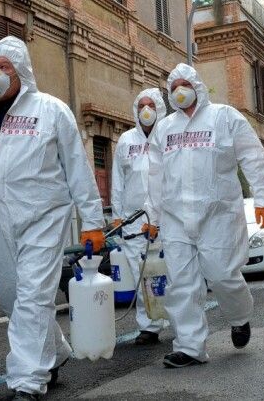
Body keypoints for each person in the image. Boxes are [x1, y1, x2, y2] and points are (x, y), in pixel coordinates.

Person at [0, 36, 105, 400]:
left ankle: (27, 382)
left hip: (43, 218)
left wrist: (93, 221)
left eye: (4, 66)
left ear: (22, 71)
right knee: (10, 293)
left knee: (32, 296)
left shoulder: (52, 111)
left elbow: (78, 169)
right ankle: (55, 352)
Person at [143, 63, 264, 368]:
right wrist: (153, 216)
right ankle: (189, 347)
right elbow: (154, 175)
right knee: (181, 283)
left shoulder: (224, 117)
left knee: (223, 275)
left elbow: (252, 156)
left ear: (197, 87)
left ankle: (240, 317)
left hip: (218, 215)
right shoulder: (164, 128)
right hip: (176, 218)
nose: (179, 90)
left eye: (184, 84)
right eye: (173, 86)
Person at [110, 88, 169, 345]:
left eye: (151, 105)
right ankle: (149, 327)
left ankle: (180, 321)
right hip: (134, 222)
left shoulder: (167, 136)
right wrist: (117, 216)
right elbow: (118, 181)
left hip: (165, 219)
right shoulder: (126, 140)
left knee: (171, 274)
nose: (146, 110)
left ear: (159, 109)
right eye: (142, 105)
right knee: (141, 274)